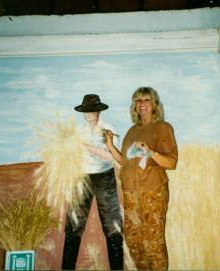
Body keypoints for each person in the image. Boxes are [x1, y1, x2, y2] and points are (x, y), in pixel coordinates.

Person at [105, 87, 178, 270]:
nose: (141, 104)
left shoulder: (163, 128)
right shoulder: (131, 131)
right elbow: (125, 162)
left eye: (146, 100)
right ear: (134, 106)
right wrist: (109, 145)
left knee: (152, 242)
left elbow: (171, 163)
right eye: (138, 100)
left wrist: (150, 152)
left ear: (154, 104)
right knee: (134, 242)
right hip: (130, 193)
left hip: (152, 191)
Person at [62, 94, 123, 270]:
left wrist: (83, 146)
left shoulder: (108, 130)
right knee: (73, 224)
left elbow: (110, 157)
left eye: (91, 111)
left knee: (112, 225)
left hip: (104, 177)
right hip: (81, 177)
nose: (88, 114)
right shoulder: (77, 132)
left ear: (98, 111)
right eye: (85, 111)